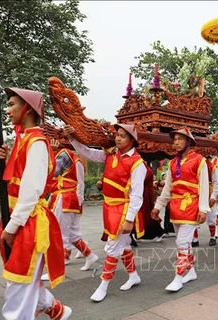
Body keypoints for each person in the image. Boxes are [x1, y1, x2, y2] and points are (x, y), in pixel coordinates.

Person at [0, 87, 71, 319]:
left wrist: (12, 226)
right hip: (17, 217)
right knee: (20, 282)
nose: (7, 110)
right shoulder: (21, 140)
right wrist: (0, 161)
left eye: (12, 104)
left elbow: (31, 191)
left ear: (27, 108)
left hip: (28, 222)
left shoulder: (36, 142)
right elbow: (5, 181)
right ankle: (57, 311)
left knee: (17, 288)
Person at [63, 123, 146, 302]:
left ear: (132, 140)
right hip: (109, 208)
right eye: (117, 134)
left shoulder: (138, 163)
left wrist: (129, 219)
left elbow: (137, 196)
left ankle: (103, 285)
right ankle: (133, 276)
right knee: (123, 245)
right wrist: (72, 138)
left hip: (123, 210)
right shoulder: (110, 154)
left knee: (112, 247)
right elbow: (88, 152)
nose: (117, 138)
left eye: (123, 136)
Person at [151, 127, 210, 292]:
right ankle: (190, 271)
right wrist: (158, 206)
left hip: (191, 206)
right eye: (175, 139)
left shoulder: (199, 160)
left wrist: (203, 209)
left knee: (182, 243)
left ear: (189, 142)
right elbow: (167, 188)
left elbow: (204, 186)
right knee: (184, 243)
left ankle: (178, 277)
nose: (176, 143)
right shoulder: (172, 162)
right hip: (176, 208)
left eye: (180, 139)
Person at [41, 140, 98, 280]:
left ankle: (56, 270)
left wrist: (50, 153)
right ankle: (90, 255)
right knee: (72, 234)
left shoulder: (64, 154)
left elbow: (51, 172)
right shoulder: (73, 157)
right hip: (67, 197)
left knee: (58, 235)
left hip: (64, 197)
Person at [192, 157, 218, 247]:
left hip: (208, 193)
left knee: (211, 218)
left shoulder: (212, 167)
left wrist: (214, 196)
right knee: (194, 217)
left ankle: (212, 237)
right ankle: (195, 239)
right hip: (196, 193)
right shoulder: (193, 163)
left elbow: (216, 183)